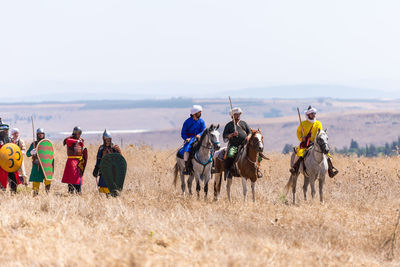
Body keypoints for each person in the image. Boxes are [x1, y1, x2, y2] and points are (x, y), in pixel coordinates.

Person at [290, 106, 339, 177]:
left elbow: (321, 133)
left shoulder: (318, 123)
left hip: (316, 143)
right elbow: (298, 132)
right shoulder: (303, 123)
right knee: (299, 153)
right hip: (306, 143)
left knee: (327, 154)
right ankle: (295, 168)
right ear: (308, 114)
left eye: (314, 113)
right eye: (312, 113)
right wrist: (301, 138)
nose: (314, 115)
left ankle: (331, 170)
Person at [223, 107, 263, 178]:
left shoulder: (244, 123)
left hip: (245, 144)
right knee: (231, 154)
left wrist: (248, 136)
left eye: (239, 114)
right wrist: (232, 134)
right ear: (232, 116)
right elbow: (225, 136)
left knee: (258, 154)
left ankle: (257, 169)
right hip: (234, 145)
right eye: (236, 114)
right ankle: (229, 170)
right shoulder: (229, 125)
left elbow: (250, 132)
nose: (238, 116)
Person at [93, 129, 122, 195]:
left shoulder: (115, 148)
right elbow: (98, 160)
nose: (108, 141)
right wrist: (96, 169)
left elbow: (120, 160)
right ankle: (107, 200)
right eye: (106, 140)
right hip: (104, 171)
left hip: (113, 171)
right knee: (105, 188)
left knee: (114, 188)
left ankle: (114, 198)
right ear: (104, 139)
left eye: (109, 139)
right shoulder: (101, 149)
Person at [179, 105, 206, 175]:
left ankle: (211, 166)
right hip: (190, 139)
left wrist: (199, 134)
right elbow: (183, 133)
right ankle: (187, 167)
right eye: (199, 112)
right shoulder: (187, 122)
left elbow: (204, 130)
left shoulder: (201, 121)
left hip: (199, 139)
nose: (200, 114)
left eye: (200, 112)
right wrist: (186, 138)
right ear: (194, 113)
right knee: (186, 150)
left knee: (209, 147)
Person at [26, 128, 51, 195]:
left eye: (42, 134)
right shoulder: (34, 144)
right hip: (36, 165)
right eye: (39, 134)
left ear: (44, 134)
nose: (40, 135)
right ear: (37, 135)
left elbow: (50, 154)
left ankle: (47, 194)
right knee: (36, 181)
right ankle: (35, 195)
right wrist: (31, 152)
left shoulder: (46, 143)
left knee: (48, 179)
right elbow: (27, 154)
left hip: (45, 165)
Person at [61, 126, 86, 194]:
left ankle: (79, 191)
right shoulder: (69, 139)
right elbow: (67, 141)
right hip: (72, 161)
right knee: (71, 177)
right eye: (77, 133)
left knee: (78, 177)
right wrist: (78, 141)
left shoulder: (81, 140)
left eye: (79, 133)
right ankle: (70, 191)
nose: (78, 134)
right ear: (74, 133)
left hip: (79, 161)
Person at [0, 119, 20, 193]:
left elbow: (14, 150)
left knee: (13, 179)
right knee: (2, 179)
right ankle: (2, 193)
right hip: (1, 164)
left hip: (10, 163)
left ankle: (13, 193)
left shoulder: (10, 140)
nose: (5, 132)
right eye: (4, 130)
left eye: (6, 130)